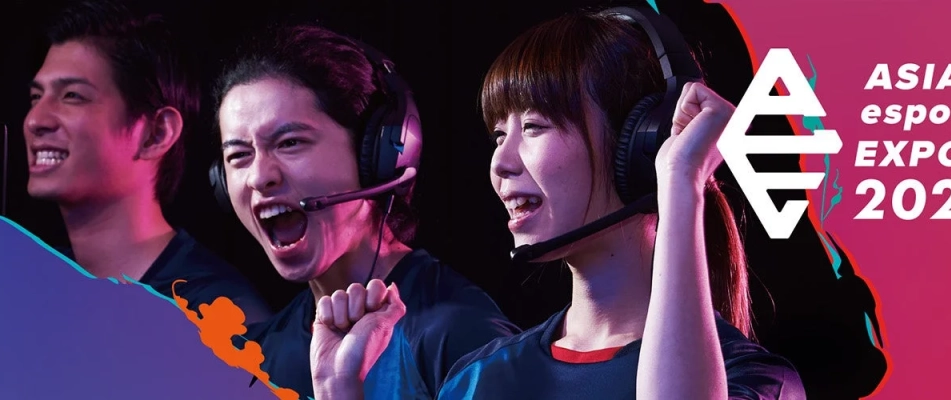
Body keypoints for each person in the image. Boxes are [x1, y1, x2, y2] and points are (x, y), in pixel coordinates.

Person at [314, 6, 806, 400]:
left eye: (533, 127)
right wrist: (342, 392)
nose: (501, 162)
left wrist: (680, 181)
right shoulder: (477, 380)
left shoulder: (754, 381)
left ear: (638, 148)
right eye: (499, 134)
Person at [212, 24, 520, 400]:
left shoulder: (461, 336)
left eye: (290, 143)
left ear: (377, 155)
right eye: (238, 156)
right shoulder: (256, 360)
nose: (259, 177)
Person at [23, 0, 271, 320]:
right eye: (36, 97)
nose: (35, 120)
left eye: (72, 96)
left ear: (157, 133)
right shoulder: (28, 287)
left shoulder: (217, 316)